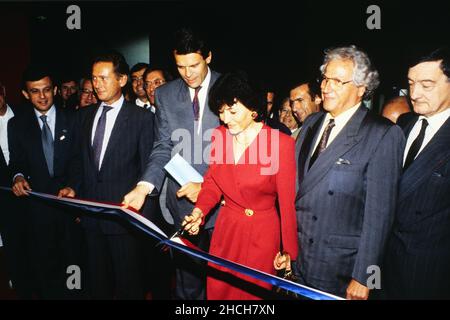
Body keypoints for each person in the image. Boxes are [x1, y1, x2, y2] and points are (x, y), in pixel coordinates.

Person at [293, 46, 404, 299]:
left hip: (338, 267)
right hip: (299, 258)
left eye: (338, 81)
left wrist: (364, 275)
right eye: (325, 78)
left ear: (361, 88)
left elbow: (380, 214)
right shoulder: (310, 124)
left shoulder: (381, 134)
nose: (326, 87)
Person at [122, 27, 221, 300]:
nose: (188, 73)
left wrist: (208, 187)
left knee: (222, 285)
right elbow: (163, 145)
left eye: (194, 65)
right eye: (180, 66)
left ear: (208, 57)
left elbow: (240, 150)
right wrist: (144, 187)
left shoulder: (230, 88)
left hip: (223, 207)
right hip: (182, 206)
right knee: (188, 285)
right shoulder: (165, 95)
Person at [181, 71, 298, 300]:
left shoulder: (280, 144)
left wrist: (289, 253)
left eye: (232, 111)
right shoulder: (220, 136)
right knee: (219, 293)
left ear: (253, 108)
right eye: (221, 111)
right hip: (226, 231)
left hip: (262, 236)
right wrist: (199, 212)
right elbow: (213, 183)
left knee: (252, 298)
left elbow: (287, 204)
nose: (225, 118)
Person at [58, 51, 154, 299]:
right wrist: (73, 187)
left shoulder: (141, 119)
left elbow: (148, 169)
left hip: (124, 220)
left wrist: (146, 222)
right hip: (91, 219)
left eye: (103, 78)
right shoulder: (84, 116)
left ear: (122, 80)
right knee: (98, 286)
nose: (96, 84)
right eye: (94, 78)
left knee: (129, 287)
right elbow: (79, 162)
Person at [9, 66, 83, 299]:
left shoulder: (73, 120)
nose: (42, 97)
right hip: (37, 212)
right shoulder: (17, 124)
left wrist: (74, 186)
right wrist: (18, 176)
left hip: (69, 208)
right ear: (25, 94)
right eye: (35, 91)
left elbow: (80, 161)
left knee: (75, 269)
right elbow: (16, 162)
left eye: (47, 90)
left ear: (56, 90)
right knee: (45, 271)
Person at [383, 47, 450, 299]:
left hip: (428, 276)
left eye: (426, 85)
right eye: (410, 84)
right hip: (383, 268)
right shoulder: (403, 123)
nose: (414, 94)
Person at [0, 82, 33, 299]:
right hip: (4, 194)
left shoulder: (25, 114)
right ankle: (21, 284)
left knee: (36, 241)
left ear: (3, 92)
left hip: (33, 190)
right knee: (13, 242)